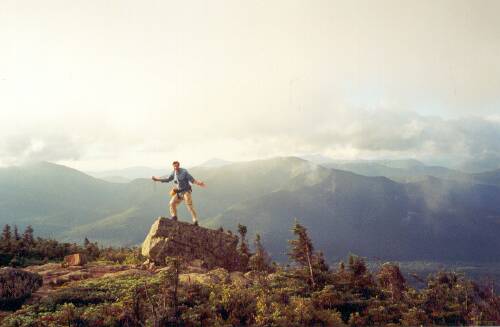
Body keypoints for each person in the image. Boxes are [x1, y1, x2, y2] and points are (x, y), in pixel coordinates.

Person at [152, 161, 206, 225]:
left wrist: (199, 183)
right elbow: (168, 179)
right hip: (179, 192)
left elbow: (192, 180)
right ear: (173, 167)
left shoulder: (184, 172)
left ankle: (195, 220)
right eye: (174, 166)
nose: (175, 167)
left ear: (179, 166)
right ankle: (174, 217)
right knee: (172, 203)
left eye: (176, 166)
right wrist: (157, 179)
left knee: (189, 206)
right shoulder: (173, 173)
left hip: (186, 191)